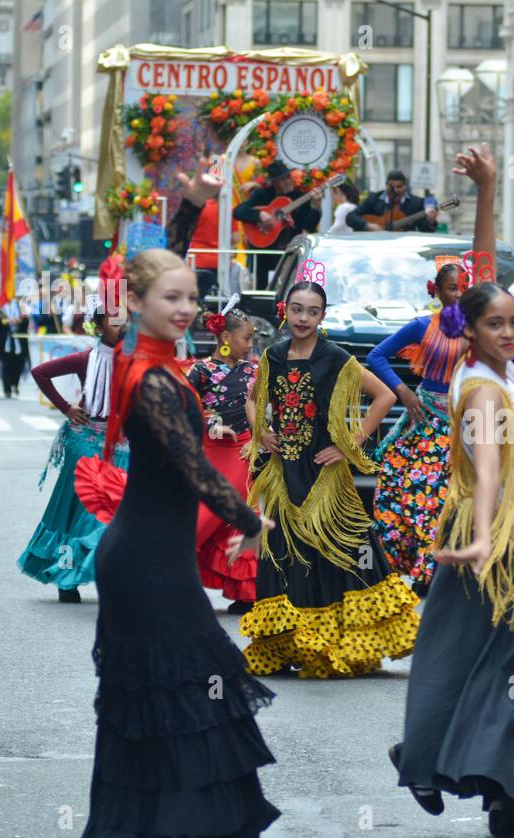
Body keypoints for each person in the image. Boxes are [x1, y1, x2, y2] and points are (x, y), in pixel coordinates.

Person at [72, 248, 279, 838]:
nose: (188, 308)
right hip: (147, 564)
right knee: (192, 693)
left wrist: (189, 208)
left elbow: (183, 463)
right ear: (135, 303)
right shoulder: (152, 378)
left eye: (193, 296)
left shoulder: (155, 363)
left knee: (174, 700)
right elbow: (192, 469)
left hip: (148, 555)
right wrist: (249, 519)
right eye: (172, 297)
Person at [390, 281, 514, 838]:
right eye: (495, 324)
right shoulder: (481, 391)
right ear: (468, 331)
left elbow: (479, 272)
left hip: (513, 537)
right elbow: (486, 473)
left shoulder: (500, 375)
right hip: (499, 543)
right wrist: (482, 537)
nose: (509, 333)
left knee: (475, 659)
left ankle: (466, 773)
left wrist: (485, 192)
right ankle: (501, 788)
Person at [238, 279, 419, 678]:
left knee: (344, 551)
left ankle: (337, 642)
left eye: (312, 311)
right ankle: (288, 643)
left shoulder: (335, 357)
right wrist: (261, 432)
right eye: (297, 309)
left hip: (325, 475)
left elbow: (385, 396)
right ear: (285, 310)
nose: (303, 318)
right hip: (284, 476)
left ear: (323, 316)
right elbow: (253, 400)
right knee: (284, 553)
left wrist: (349, 446)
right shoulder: (273, 356)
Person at [368, 145, 497, 592]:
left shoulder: (475, 328)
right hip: (424, 419)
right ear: (436, 289)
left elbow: (485, 273)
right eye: (450, 287)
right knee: (403, 494)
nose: (458, 293)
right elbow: (376, 357)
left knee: (451, 497)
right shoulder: (421, 326)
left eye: (464, 287)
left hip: (461, 422)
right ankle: (419, 570)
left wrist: (485, 191)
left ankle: (444, 568)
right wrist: (402, 393)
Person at [19, 259, 130, 603]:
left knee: (116, 512)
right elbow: (40, 372)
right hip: (86, 442)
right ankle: (67, 577)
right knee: (79, 510)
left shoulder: (136, 359)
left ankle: (110, 573)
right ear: (99, 325)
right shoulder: (86, 359)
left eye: (124, 317)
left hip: (123, 445)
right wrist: (66, 408)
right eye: (114, 319)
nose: (122, 324)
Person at [186, 308, 258, 613]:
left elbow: (261, 408)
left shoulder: (254, 370)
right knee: (202, 519)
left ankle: (244, 593)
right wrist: (212, 425)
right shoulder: (200, 371)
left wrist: (257, 440)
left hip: (242, 452)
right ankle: (171, 579)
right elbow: (187, 409)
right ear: (226, 337)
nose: (251, 344)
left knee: (239, 521)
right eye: (247, 337)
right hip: (210, 452)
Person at [232, 161, 319, 290]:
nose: (287, 182)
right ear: (274, 182)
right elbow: (238, 212)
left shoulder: (299, 197)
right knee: (262, 291)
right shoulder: (262, 194)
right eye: (282, 179)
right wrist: (259, 214)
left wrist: (317, 207)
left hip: (289, 254)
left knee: (289, 290)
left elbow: (309, 226)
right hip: (264, 254)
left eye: (287, 177)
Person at [347, 170, 439, 233]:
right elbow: (350, 217)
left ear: (404, 187)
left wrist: (431, 220)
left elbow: (426, 229)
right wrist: (368, 225)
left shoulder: (415, 202)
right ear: (386, 186)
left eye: (398, 187)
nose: (394, 190)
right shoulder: (374, 199)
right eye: (391, 187)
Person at [0, 298, 30, 398]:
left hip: (19, 341)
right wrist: (7, 321)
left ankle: (15, 384)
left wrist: (19, 321)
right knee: (6, 366)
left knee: (19, 365)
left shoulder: (20, 307)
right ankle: (7, 389)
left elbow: (26, 321)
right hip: (5, 343)